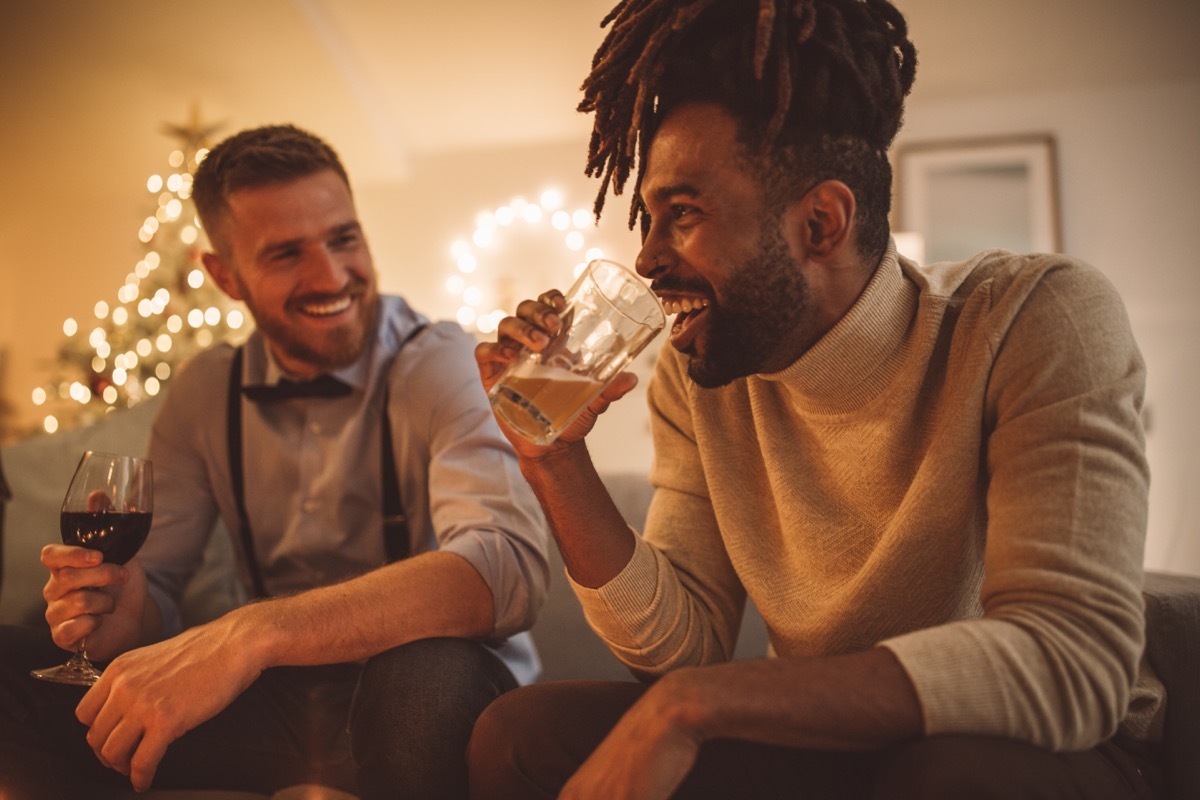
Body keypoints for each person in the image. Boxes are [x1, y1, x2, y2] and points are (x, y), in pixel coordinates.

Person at [467, 1, 1164, 798]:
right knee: (519, 737)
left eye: (682, 213)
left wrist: (698, 707)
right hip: (823, 739)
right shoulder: (703, 381)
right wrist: (557, 463)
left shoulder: (1036, 318)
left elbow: (1071, 659)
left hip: (1040, 749)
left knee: (943, 778)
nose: (647, 256)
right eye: (650, 218)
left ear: (821, 222)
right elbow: (681, 649)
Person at [0, 124, 550, 800]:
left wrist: (251, 633)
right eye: (287, 254)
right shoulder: (205, 391)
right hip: (284, 714)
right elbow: (156, 600)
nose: (332, 276)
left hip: (437, 704)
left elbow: (506, 569)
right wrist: (120, 611)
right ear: (225, 276)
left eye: (343, 238)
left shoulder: (439, 360)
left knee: (422, 677)